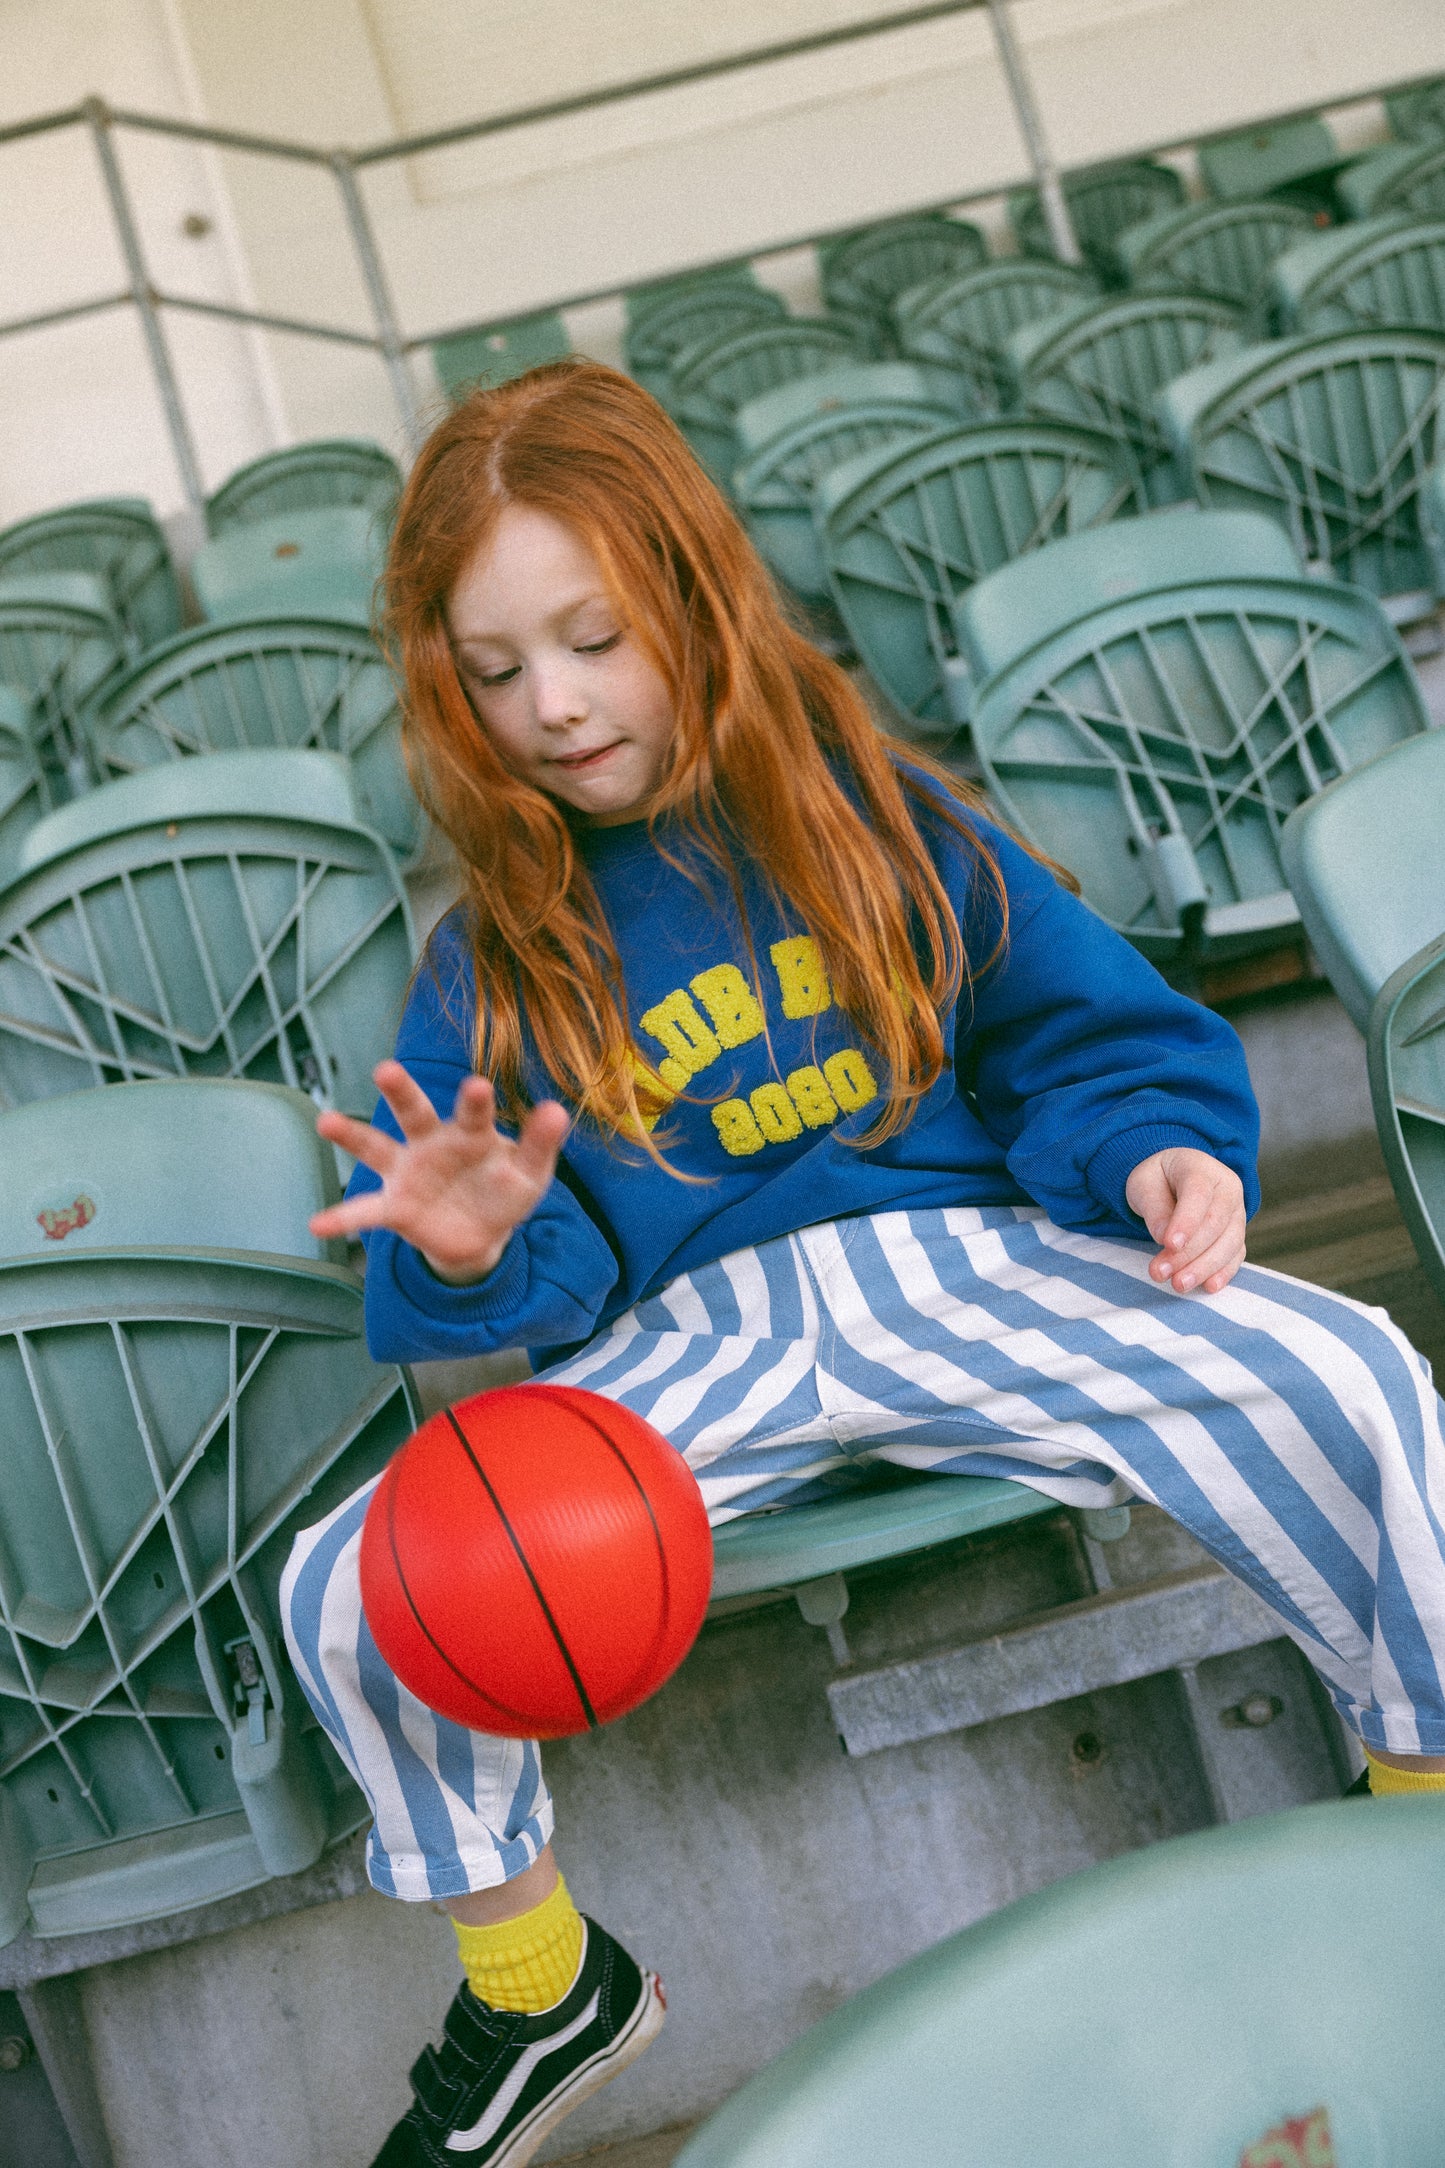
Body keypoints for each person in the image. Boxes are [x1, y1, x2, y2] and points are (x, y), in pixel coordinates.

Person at [282, 360, 1445, 2168]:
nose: (556, 706)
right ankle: (534, 1978)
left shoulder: (875, 811)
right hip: (695, 1340)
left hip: (970, 1261)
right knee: (347, 1579)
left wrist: (1153, 1151)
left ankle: (1418, 1812)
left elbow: (1078, 1036)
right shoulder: (494, 955)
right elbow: (546, 1288)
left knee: (1358, 1374)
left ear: (690, 595)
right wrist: (470, 1252)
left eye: (591, 639)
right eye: (496, 673)